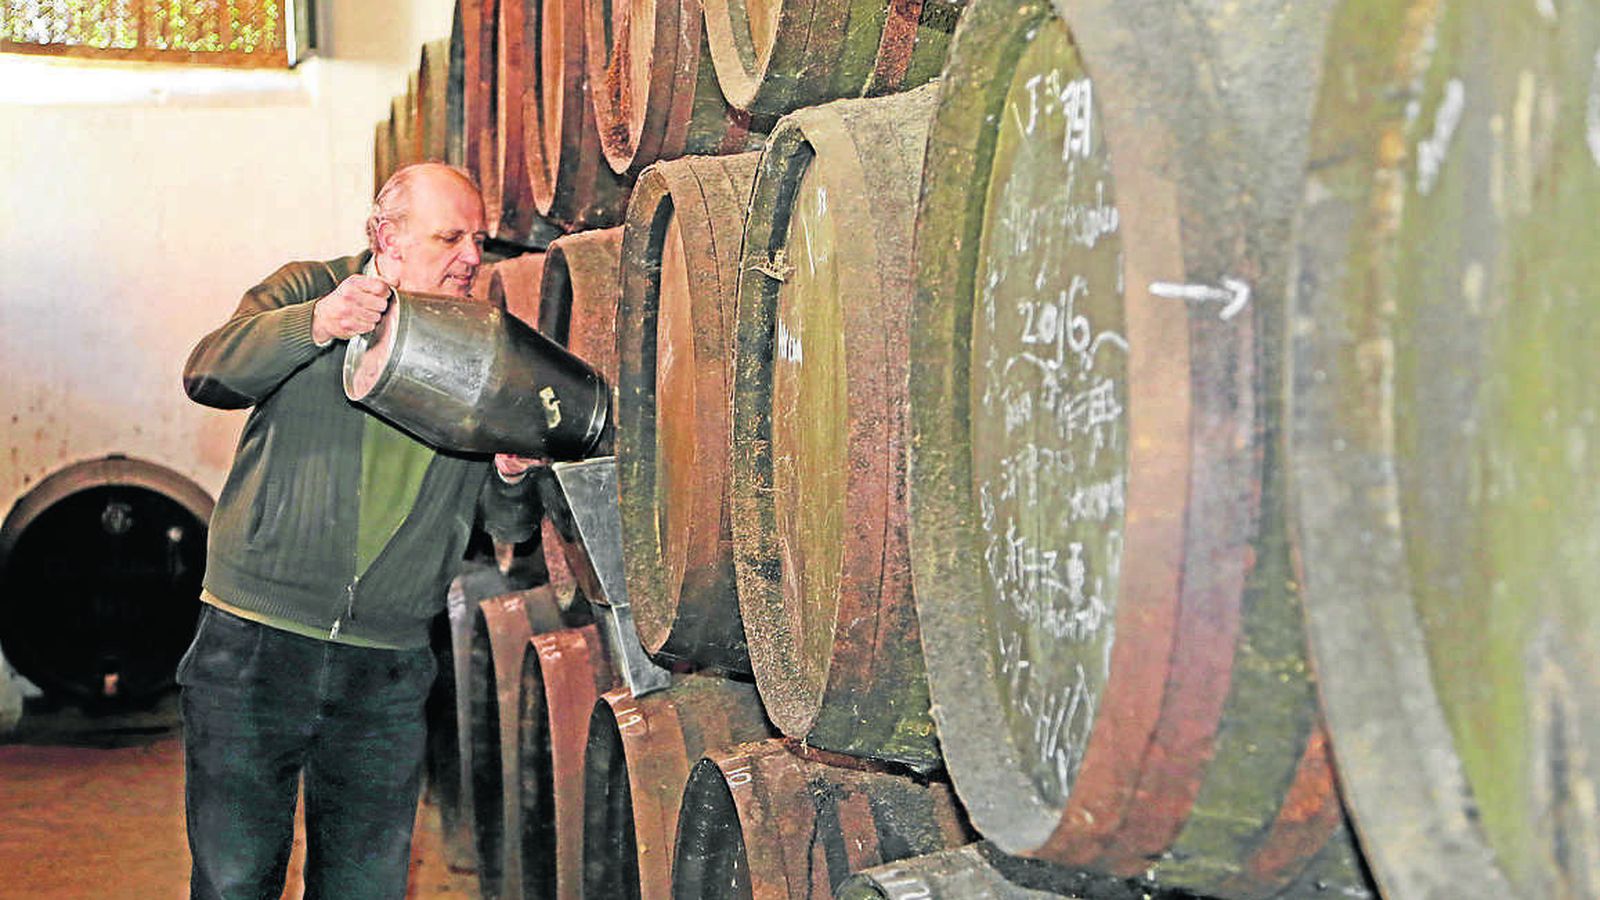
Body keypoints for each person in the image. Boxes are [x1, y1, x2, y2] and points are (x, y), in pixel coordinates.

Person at [178, 162, 538, 899]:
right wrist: (314, 324)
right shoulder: (309, 288)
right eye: (449, 238)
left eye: (478, 239)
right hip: (255, 642)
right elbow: (208, 373)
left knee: (364, 887)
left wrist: (510, 477)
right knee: (234, 879)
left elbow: (506, 531)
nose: (472, 256)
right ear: (386, 238)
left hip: (387, 664)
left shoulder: (486, 348)